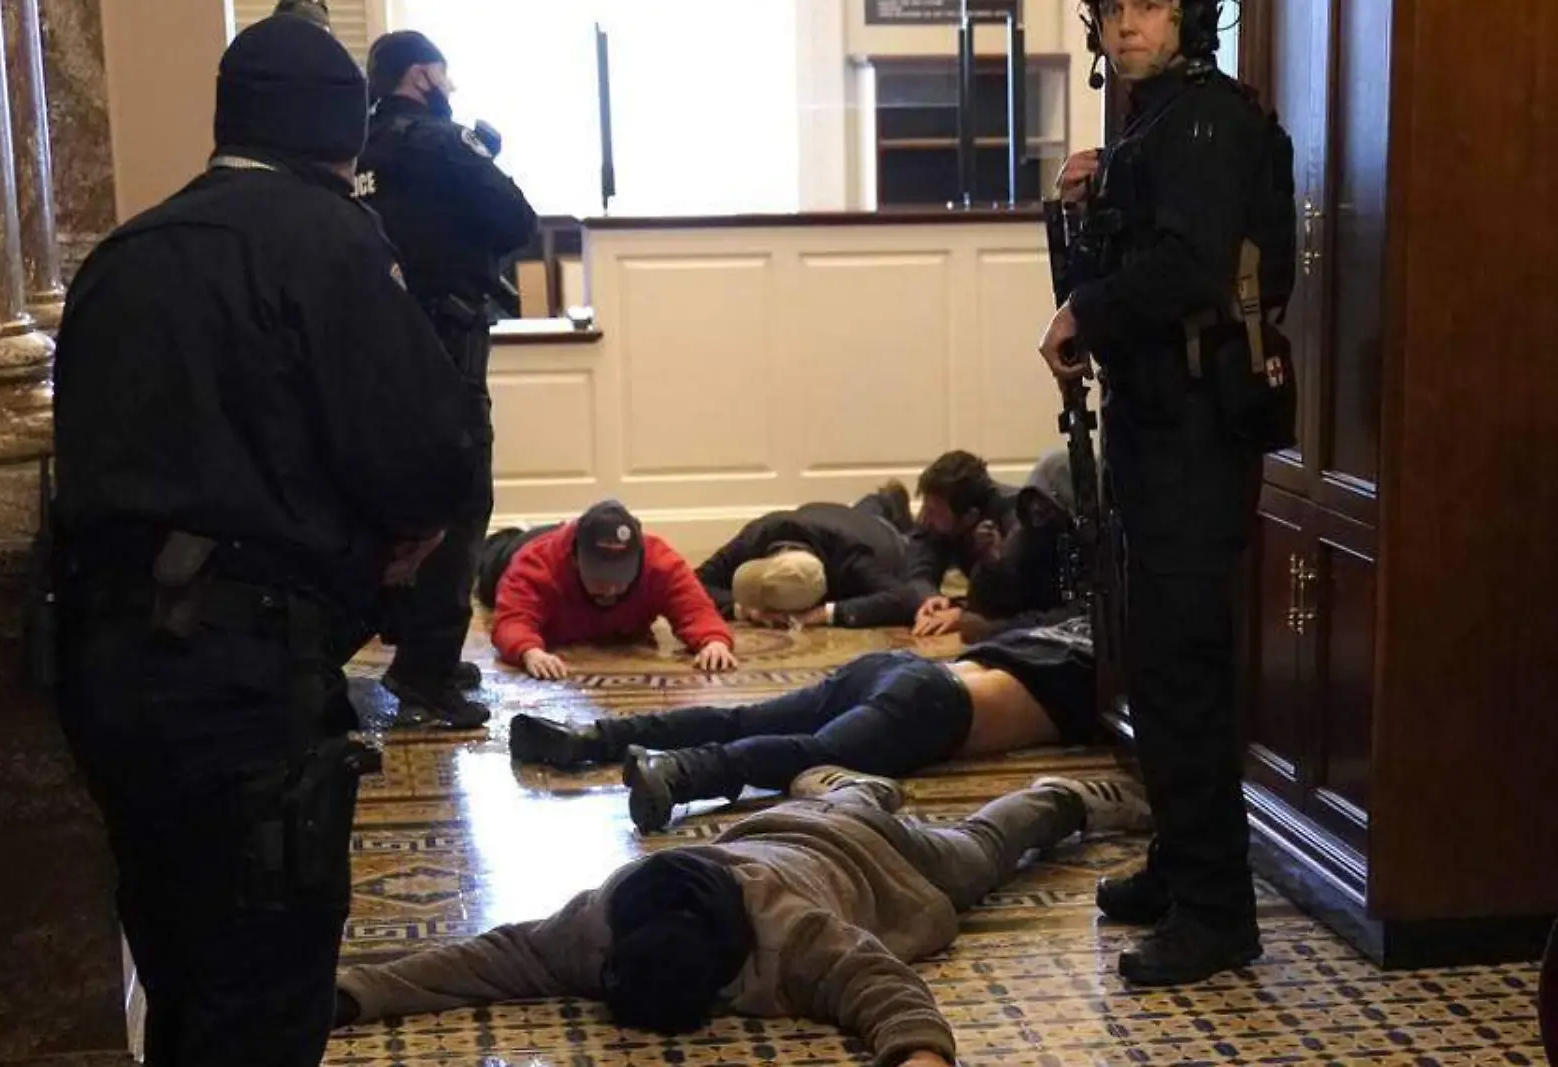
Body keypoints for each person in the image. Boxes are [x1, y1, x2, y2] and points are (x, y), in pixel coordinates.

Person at [50, 14, 483, 1067]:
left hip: (104, 675)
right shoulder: (332, 241)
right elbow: (428, 455)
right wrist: (396, 545)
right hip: (246, 678)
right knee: (264, 1000)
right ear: (344, 134)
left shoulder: (123, 253)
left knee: (180, 980)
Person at [1035, 0, 1289, 985]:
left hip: (1196, 434)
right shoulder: (1151, 123)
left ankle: (1218, 912)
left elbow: (1186, 268)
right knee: (1155, 658)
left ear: (1187, 17)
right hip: (1156, 426)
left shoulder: (1208, 120)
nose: (1127, 24)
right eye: (1112, 8)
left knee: (1182, 668)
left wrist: (1082, 308)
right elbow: (1125, 268)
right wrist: (1076, 212)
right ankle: (1181, 863)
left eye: (1149, 4)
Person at [331, 769, 1151, 1066]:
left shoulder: (793, 937)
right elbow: (484, 961)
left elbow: (884, 989)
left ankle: (1065, 796)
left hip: (883, 861)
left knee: (982, 848)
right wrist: (352, 991)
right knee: (844, 798)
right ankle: (842, 784)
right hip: (767, 836)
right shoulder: (600, 922)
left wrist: (921, 1057)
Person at [357, 30, 540, 729]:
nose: (451, 87)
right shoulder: (443, 145)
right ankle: (426, 671)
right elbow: (515, 218)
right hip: (447, 346)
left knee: (382, 496)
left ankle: (403, 641)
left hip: (371, 351)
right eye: (443, 73)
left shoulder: (357, 148)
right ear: (418, 77)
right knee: (460, 499)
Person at [511, 618, 1097, 833]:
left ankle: (589, 739)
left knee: (744, 716)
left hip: (899, 668)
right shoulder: (1114, 670)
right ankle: (679, 774)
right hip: (935, 705)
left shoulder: (1065, 630)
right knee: (814, 753)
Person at [490, 500, 738, 679]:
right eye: (599, 577)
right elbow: (512, 620)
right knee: (488, 557)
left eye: (621, 577)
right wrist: (528, 651)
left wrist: (714, 642)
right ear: (575, 560)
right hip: (510, 553)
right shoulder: (536, 563)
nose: (610, 589)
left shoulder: (659, 562)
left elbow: (695, 608)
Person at [695, 482, 916, 629]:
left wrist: (825, 614)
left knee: (909, 537)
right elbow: (693, 583)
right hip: (824, 515)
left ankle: (888, 503)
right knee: (865, 509)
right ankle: (881, 500)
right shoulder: (757, 536)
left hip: (880, 533)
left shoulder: (850, 557)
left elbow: (904, 598)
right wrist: (747, 610)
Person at [960, 448, 1088, 642]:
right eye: (1033, 501)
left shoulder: (1096, 547)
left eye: (1047, 503)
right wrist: (991, 566)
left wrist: (998, 630)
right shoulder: (1028, 537)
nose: (1037, 510)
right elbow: (980, 615)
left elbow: (1082, 615)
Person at [905, 451, 1020, 637]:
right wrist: (930, 599)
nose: (925, 518)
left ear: (970, 517)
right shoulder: (938, 514)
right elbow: (918, 571)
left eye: (933, 511)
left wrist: (967, 616)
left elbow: (1031, 599)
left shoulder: (1017, 520)